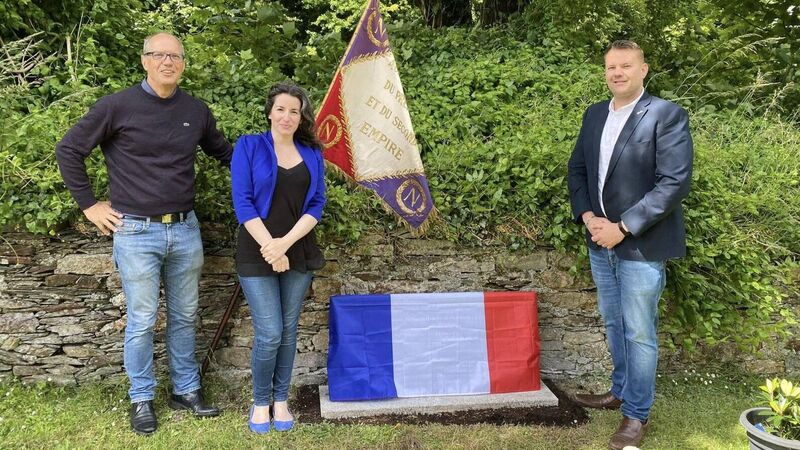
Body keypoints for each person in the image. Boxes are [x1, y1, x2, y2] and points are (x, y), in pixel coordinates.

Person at [55, 32, 231, 436]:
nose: (167, 62)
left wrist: (276, 165)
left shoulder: (195, 111)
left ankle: (185, 391)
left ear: (183, 63)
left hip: (185, 229)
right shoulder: (116, 106)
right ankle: (141, 397)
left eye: (175, 56)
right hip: (135, 231)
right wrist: (89, 205)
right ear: (144, 60)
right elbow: (69, 149)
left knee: (185, 316)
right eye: (159, 55)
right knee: (142, 319)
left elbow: (225, 154)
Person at [567, 40, 693, 450]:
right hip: (598, 240)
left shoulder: (665, 115)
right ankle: (620, 390)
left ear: (643, 69)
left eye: (625, 65)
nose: (617, 73)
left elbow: (674, 182)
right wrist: (589, 217)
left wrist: (622, 227)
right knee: (614, 322)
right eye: (610, 66)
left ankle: (636, 415)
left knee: (639, 331)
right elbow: (578, 170)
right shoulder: (593, 114)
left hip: (642, 244)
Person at [231, 81, 326, 434]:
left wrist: (284, 244)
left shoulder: (312, 153)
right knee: (270, 332)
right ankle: (260, 402)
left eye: (294, 111)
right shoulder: (249, 146)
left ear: (301, 117)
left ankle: (281, 399)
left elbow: (316, 204)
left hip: (298, 248)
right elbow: (243, 202)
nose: (287, 116)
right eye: (281, 109)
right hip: (256, 250)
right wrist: (271, 248)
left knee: (288, 331)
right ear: (270, 112)